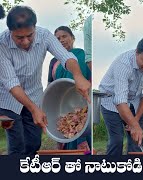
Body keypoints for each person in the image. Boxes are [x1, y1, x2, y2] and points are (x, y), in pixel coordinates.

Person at [0, 6, 90, 155]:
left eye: (30, 35)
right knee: (17, 144)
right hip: (8, 100)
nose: (26, 41)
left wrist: (78, 75)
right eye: (19, 38)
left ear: (35, 28)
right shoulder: (2, 44)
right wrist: (34, 109)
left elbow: (65, 56)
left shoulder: (44, 35)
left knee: (34, 142)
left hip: (34, 95)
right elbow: (11, 82)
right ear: (10, 32)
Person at [99, 36, 143, 155]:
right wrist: (134, 125)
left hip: (135, 102)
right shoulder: (123, 64)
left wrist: (136, 119)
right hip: (111, 100)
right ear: (137, 53)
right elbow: (120, 100)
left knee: (137, 141)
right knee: (116, 140)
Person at [48, 26, 91, 151]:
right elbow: (50, 85)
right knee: (63, 133)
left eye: (64, 36)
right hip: (61, 105)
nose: (61, 40)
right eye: (57, 39)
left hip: (83, 103)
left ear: (72, 38)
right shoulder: (54, 62)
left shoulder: (82, 55)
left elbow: (90, 78)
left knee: (82, 130)